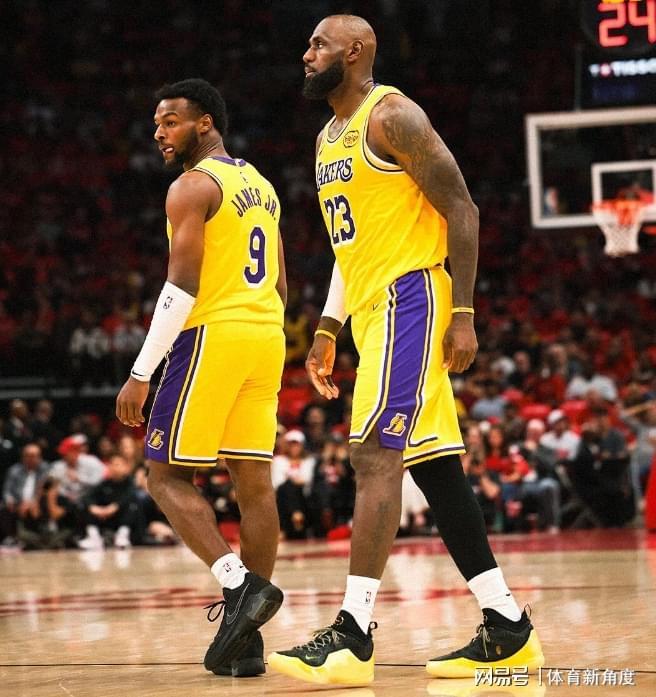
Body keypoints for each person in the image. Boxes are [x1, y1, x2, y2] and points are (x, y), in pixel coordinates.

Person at [267, 15, 543, 686]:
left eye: (319, 45)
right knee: (436, 467)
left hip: (410, 298)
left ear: (356, 51)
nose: (307, 54)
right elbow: (350, 247)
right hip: (371, 310)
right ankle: (506, 624)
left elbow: (463, 210)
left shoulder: (393, 116)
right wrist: (327, 327)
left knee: (372, 455)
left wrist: (464, 314)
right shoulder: (326, 138)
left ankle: (352, 633)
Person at [115, 79, 285, 677]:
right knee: (253, 483)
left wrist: (141, 371)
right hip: (267, 335)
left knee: (163, 476)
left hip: (213, 332)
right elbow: (281, 282)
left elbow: (181, 285)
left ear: (205, 122)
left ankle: (239, 587)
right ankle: (247, 640)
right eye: (157, 124)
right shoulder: (261, 185)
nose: (159, 133)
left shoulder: (192, 185)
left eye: (171, 122)